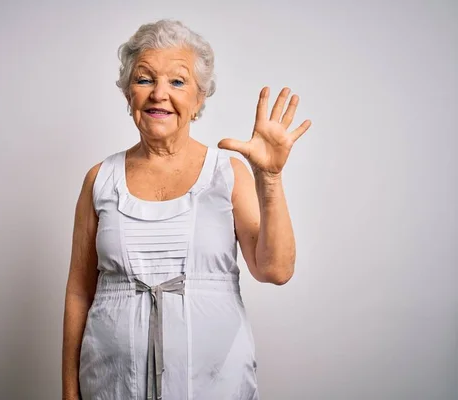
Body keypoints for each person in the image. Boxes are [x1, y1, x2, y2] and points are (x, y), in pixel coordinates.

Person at [62, 19, 311, 400]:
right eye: (145, 79)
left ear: (199, 100)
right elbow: (79, 292)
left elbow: (276, 270)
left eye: (177, 82)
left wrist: (270, 178)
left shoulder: (227, 173)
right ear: (129, 94)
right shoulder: (99, 179)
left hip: (217, 385)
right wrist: (69, 393)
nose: (159, 94)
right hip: (111, 386)